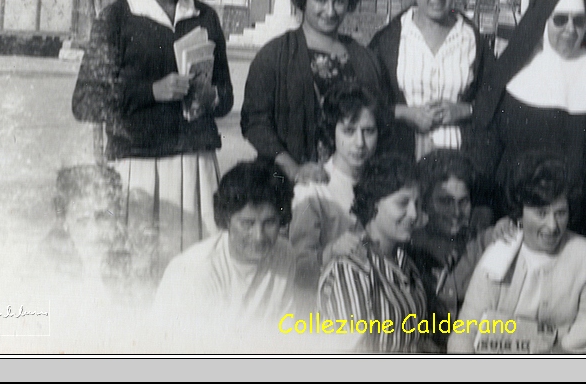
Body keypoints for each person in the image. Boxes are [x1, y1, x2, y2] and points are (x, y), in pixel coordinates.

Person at [72, 0, 234, 275]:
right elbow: (84, 101)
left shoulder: (205, 17)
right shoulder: (117, 17)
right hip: (139, 169)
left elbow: (227, 96)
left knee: (199, 275)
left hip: (196, 167)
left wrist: (213, 98)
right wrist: (151, 92)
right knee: (142, 277)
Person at [471, 0, 586, 264]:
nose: (570, 29)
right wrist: (482, 203)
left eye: (578, 21)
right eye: (560, 20)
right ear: (543, 21)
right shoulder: (514, 78)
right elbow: (488, 149)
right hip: (519, 221)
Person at [241, 0, 388, 186]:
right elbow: (255, 124)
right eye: (320, 0)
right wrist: (293, 169)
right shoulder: (274, 56)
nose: (330, 11)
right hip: (291, 185)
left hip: (353, 186)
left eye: (339, 1)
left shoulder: (365, 58)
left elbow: (379, 120)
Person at [448, 158, 586, 354]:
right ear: (519, 212)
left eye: (560, 213)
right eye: (541, 213)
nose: (552, 225)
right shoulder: (500, 251)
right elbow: (466, 330)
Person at [369, 0, 495, 160]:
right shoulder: (388, 40)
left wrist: (465, 110)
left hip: (461, 165)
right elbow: (366, 100)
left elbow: (496, 100)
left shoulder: (471, 39)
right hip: (402, 162)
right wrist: (405, 113)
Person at [151, 159, 296, 345]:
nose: (259, 236)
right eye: (247, 224)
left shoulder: (285, 255)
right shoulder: (195, 271)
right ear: (226, 220)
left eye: (269, 222)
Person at [317, 152, 432, 353]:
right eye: (402, 203)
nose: (414, 214)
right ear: (374, 203)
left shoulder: (404, 262)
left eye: (418, 204)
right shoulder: (351, 270)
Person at [289, 82, 382, 293]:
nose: (359, 143)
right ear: (332, 132)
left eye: (368, 131)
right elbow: (299, 268)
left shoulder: (383, 182)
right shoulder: (313, 190)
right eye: (349, 131)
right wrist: (332, 251)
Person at [408, 150, 496, 349]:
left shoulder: (482, 243)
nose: (456, 212)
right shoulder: (408, 246)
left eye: (463, 201)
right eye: (445, 201)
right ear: (425, 202)